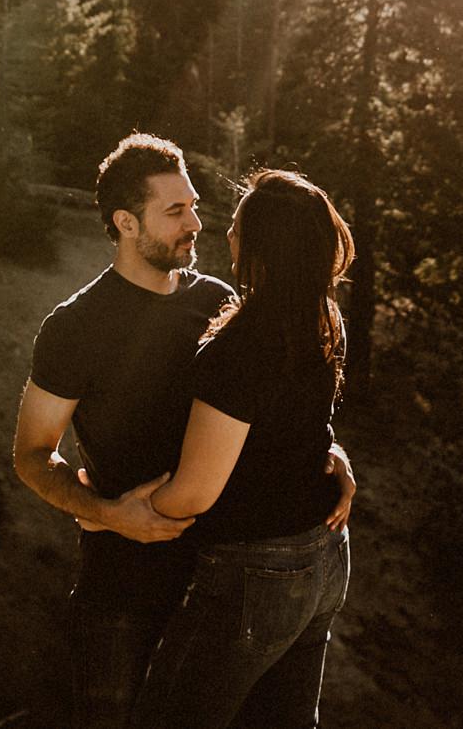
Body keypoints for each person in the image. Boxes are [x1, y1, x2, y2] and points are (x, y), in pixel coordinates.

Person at [12, 135, 352, 729]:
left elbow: (273, 403)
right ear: (125, 222)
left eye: (194, 205)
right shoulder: (74, 327)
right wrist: (110, 513)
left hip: (221, 581)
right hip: (123, 593)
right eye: (175, 211)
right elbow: (32, 455)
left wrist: (329, 451)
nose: (197, 222)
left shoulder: (219, 303)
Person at [131, 170, 356, 729]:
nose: (225, 234)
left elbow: (194, 493)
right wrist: (337, 457)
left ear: (262, 247)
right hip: (325, 559)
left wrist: (117, 513)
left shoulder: (242, 349)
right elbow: (300, 429)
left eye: (236, 226)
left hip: (256, 574)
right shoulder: (322, 318)